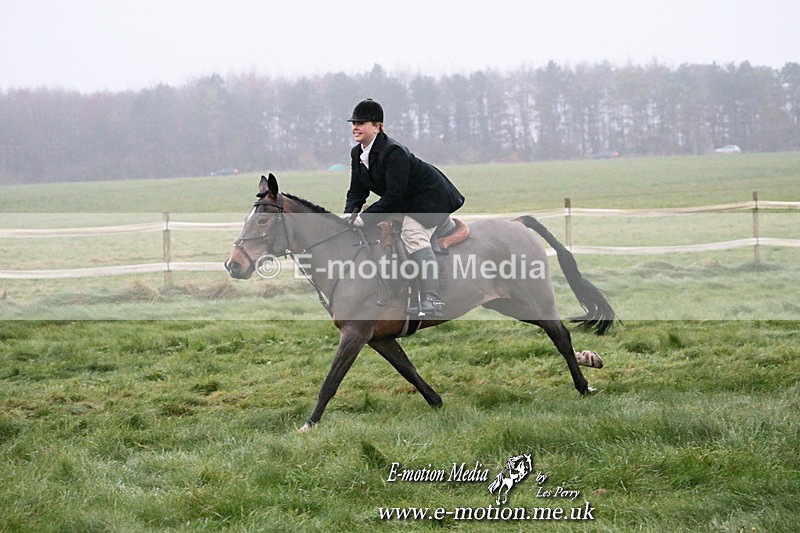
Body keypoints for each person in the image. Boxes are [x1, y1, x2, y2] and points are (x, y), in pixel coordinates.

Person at [341, 98, 465, 317]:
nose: (355, 127)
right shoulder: (356, 154)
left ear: (377, 126)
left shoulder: (393, 152)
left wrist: (365, 218)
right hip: (406, 200)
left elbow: (394, 197)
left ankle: (432, 299)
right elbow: (357, 191)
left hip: (430, 199)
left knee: (412, 233)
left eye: (362, 123)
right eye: (354, 123)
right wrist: (349, 214)